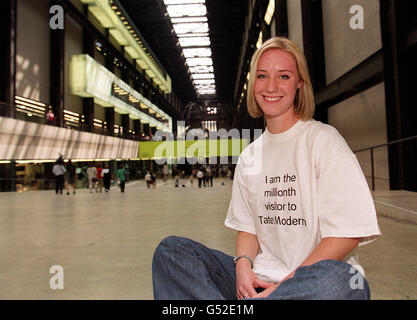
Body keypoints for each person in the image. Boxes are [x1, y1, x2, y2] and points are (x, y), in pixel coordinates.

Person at [152, 37, 382, 300]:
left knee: (341, 282)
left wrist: (284, 287)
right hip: (262, 282)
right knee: (171, 252)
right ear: (253, 85)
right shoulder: (250, 156)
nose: (271, 86)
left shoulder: (323, 140)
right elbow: (248, 228)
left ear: (300, 84)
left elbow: (346, 235)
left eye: (284, 76)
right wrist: (243, 268)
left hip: (308, 283)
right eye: (262, 76)